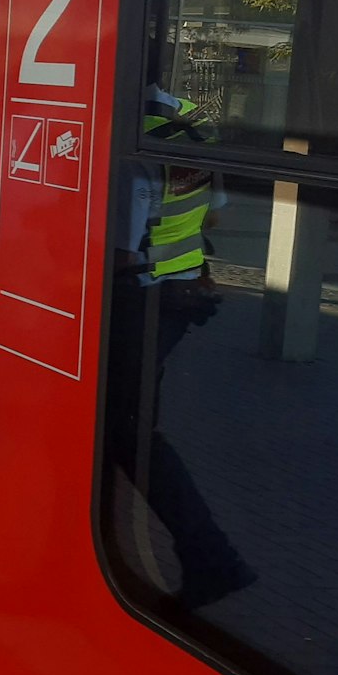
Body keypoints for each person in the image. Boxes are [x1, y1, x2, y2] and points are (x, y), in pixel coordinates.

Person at [110, 82, 255, 608]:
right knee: (125, 424)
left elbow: (122, 251)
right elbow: (214, 211)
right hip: (181, 293)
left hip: (138, 299)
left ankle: (212, 557)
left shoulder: (127, 138)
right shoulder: (191, 122)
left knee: (126, 430)